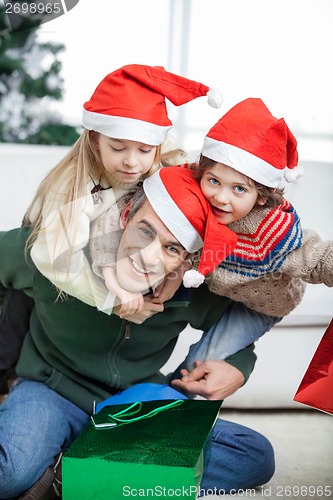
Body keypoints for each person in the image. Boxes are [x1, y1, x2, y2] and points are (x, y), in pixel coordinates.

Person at [0, 166, 274, 499]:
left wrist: (239, 366)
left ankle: (66, 473)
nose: (147, 258)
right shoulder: (60, 254)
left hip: (134, 407)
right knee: (9, 475)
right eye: (145, 231)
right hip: (51, 390)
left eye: (172, 249)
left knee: (254, 456)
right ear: (125, 214)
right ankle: (103, 471)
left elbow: (235, 327)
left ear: (187, 261)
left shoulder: (187, 290)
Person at [0, 63, 223, 385]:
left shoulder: (168, 166)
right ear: (94, 141)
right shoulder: (72, 189)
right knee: (12, 324)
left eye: (144, 150)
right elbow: (56, 257)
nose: (132, 162)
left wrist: (178, 270)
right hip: (43, 269)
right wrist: (112, 297)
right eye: (117, 148)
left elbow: (198, 223)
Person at [171, 97, 333, 383]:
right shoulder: (191, 194)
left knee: (199, 364)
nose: (221, 197)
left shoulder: (269, 232)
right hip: (217, 285)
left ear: (260, 196)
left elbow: (317, 259)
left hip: (262, 303)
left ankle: (168, 406)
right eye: (213, 181)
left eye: (238, 189)